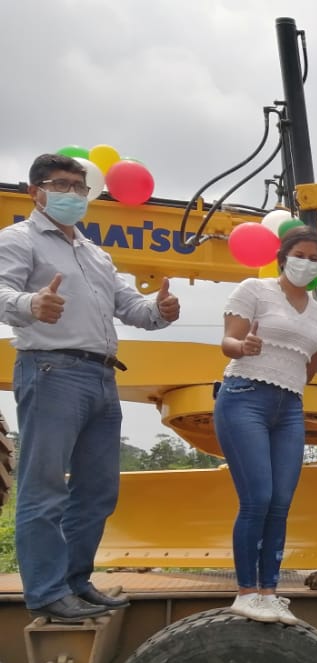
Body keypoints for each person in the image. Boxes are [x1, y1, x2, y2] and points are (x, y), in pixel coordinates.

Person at [0, 153, 181, 622]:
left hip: (102, 375)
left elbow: (132, 307)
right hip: (51, 370)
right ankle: (46, 591)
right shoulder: (18, 239)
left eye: (80, 188)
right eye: (61, 185)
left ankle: (76, 582)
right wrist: (30, 303)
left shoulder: (95, 253)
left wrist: (160, 309)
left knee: (98, 490)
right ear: (35, 192)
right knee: (44, 488)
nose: (73, 195)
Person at [213, 226, 317, 624]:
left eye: (315, 258)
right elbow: (228, 342)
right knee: (258, 498)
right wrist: (244, 347)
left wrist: (288, 375)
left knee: (280, 502)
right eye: (300, 255)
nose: (307, 263)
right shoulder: (255, 290)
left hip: (289, 406)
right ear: (282, 257)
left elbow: (311, 363)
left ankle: (269, 592)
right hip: (246, 395)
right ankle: (246, 591)